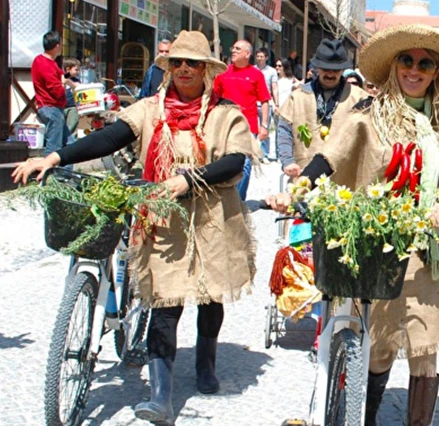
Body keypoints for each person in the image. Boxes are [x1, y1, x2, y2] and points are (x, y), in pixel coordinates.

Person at [13, 31, 258, 425]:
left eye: (191, 63)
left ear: (206, 70)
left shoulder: (224, 113)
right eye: (176, 62)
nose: (182, 69)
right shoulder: (149, 109)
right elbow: (109, 137)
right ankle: (161, 396)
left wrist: (190, 179)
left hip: (212, 217)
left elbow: (234, 162)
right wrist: (56, 155)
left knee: (210, 297)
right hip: (161, 219)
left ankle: (205, 362)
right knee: (164, 303)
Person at [266, 24, 439, 426]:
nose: (414, 70)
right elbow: (329, 158)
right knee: (378, 345)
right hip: (378, 242)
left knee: (424, 345)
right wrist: (295, 191)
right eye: (407, 61)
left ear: (435, 73)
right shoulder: (368, 113)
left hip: (428, 244)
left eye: (424, 63)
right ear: (395, 66)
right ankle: (367, 416)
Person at [276, 39, 367, 178]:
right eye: (325, 69)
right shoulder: (298, 97)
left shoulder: (360, 97)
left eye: (335, 70)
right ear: (316, 68)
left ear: (342, 70)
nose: (330, 74)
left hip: (344, 183)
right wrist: (287, 161)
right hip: (304, 178)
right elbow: (284, 130)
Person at [214, 40, 271, 200]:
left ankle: (238, 201)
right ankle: (226, 198)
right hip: (224, 127)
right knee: (224, 162)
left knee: (245, 165)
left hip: (248, 127)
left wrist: (264, 125)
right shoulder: (223, 73)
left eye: (238, 49)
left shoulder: (256, 74)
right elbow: (214, 97)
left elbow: (265, 100)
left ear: (247, 54)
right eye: (233, 47)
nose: (233, 50)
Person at [32, 31, 71, 156]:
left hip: (52, 108)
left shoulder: (46, 62)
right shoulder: (45, 64)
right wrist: (64, 84)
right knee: (54, 146)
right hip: (51, 107)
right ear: (57, 46)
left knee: (69, 143)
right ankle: (50, 174)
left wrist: (72, 78)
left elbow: (62, 76)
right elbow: (57, 89)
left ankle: (64, 173)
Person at [255, 47, 279, 162]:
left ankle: (264, 154)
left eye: (262, 57)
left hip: (266, 104)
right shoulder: (251, 70)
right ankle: (253, 153)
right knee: (252, 129)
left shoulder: (272, 71)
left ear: (266, 58)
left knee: (265, 129)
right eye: (258, 56)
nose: (259, 59)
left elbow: (274, 88)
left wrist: (276, 104)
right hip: (252, 103)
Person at [62, 58, 81, 137]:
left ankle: (70, 140)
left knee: (73, 123)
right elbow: (64, 79)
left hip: (73, 106)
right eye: (76, 70)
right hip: (62, 106)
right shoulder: (63, 77)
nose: (78, 72)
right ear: (68, 69)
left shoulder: (76, 80)